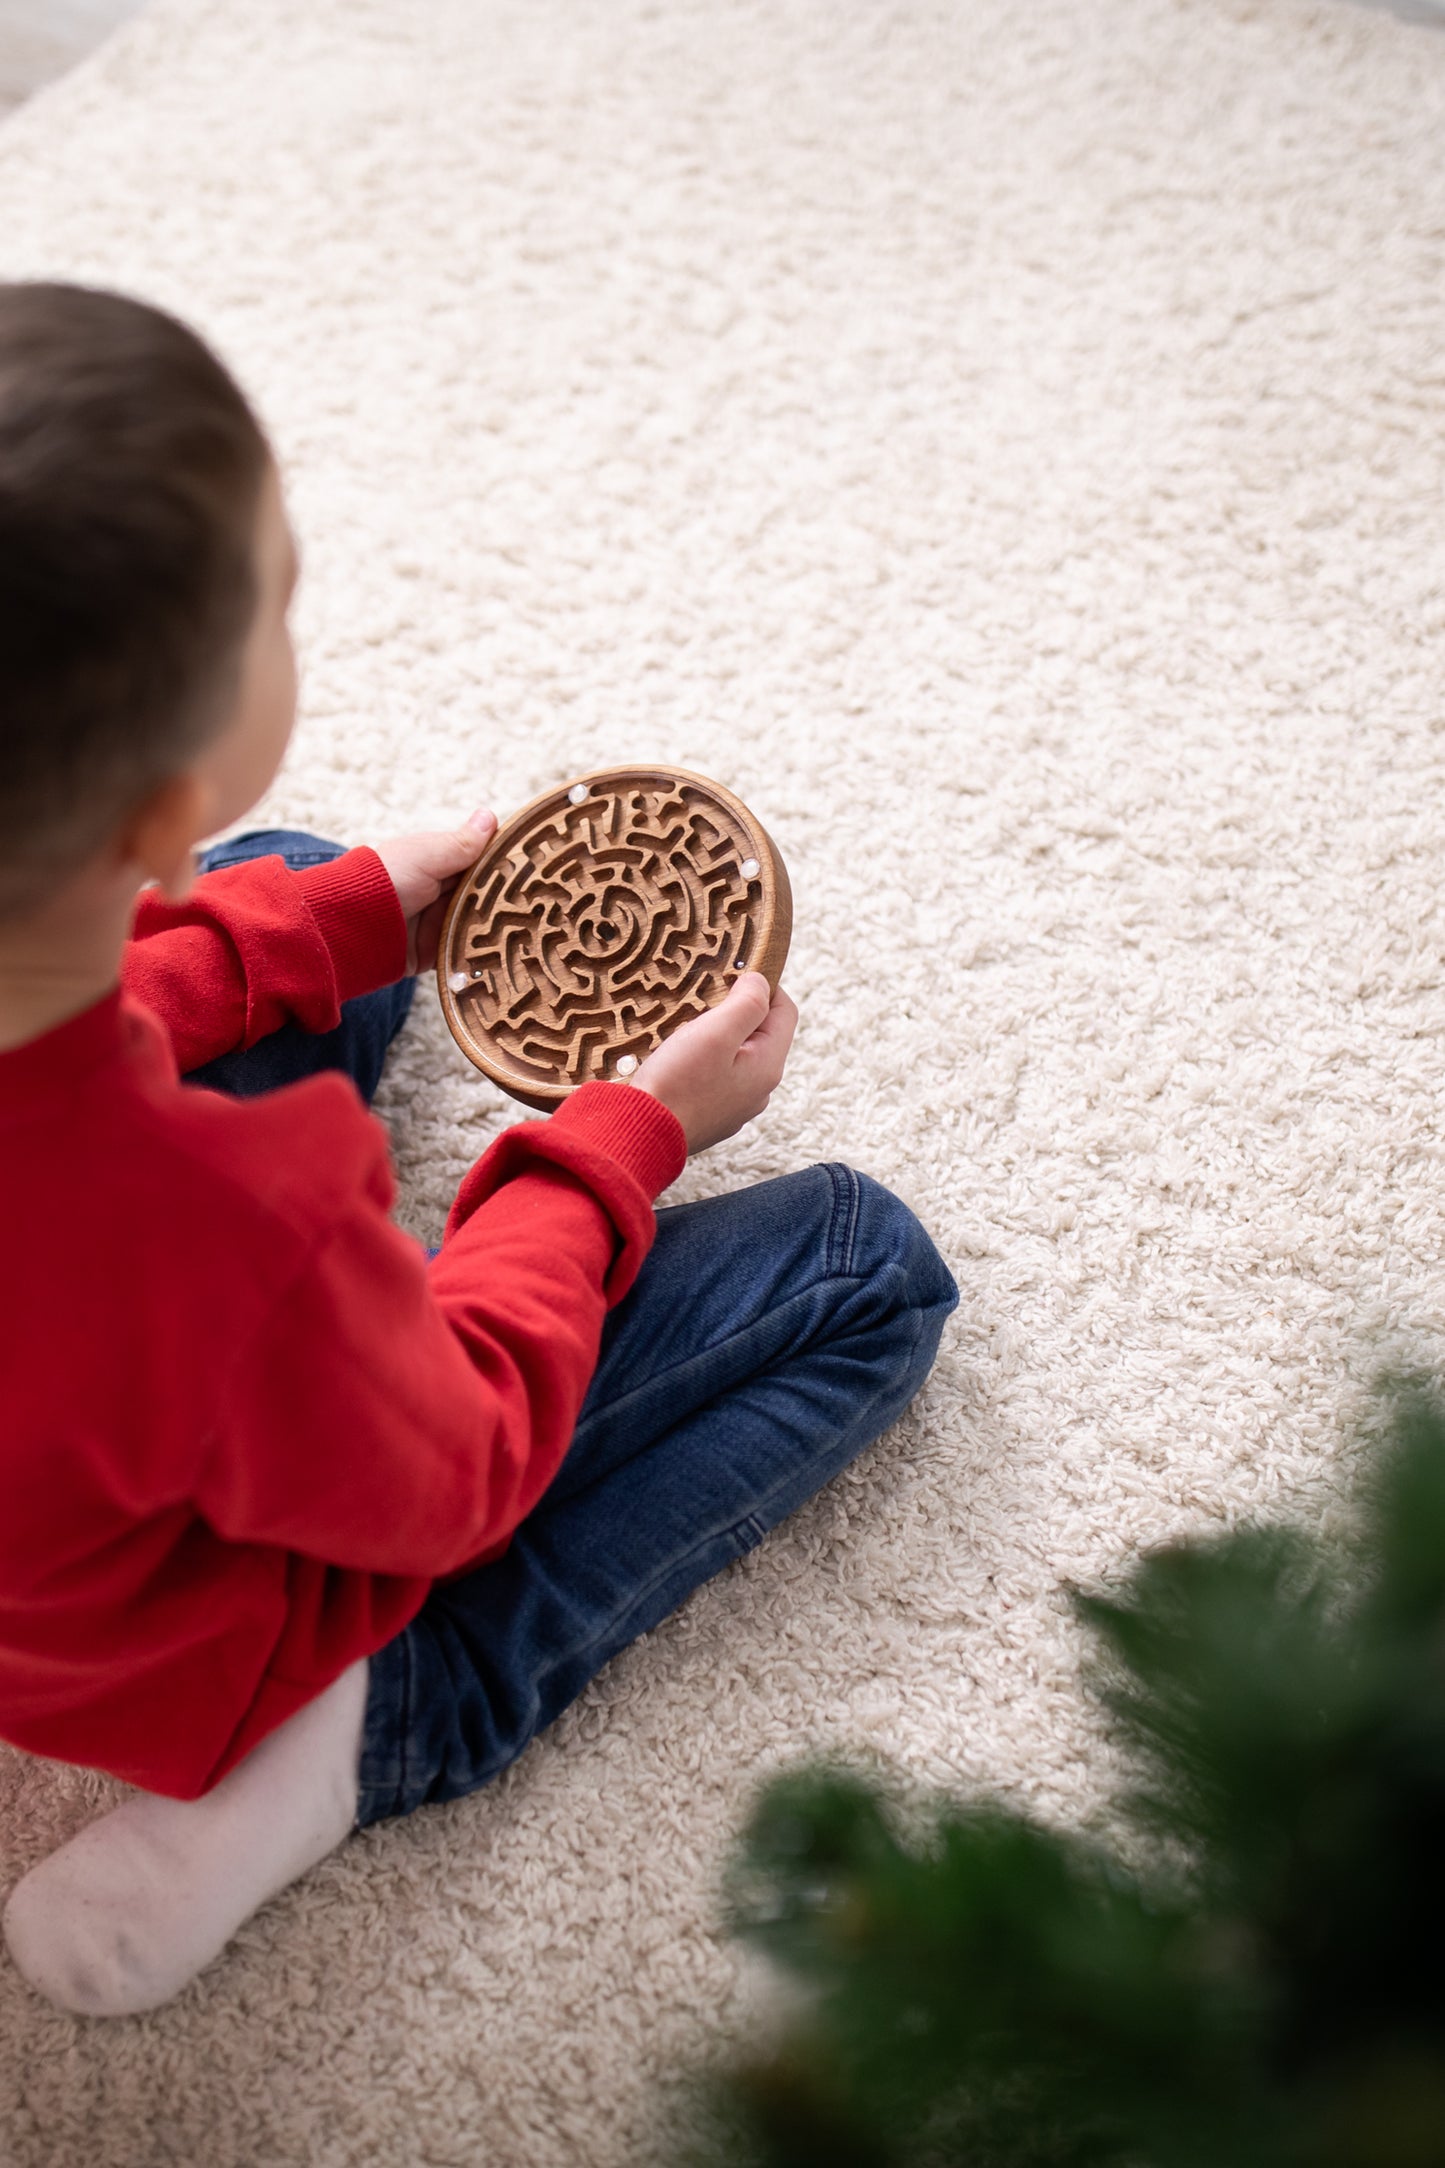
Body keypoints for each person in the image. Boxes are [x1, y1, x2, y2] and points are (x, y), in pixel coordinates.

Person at [0, 282, 959, 2018]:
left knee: (287, 889)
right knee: (862, 1267)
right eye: (278, 600)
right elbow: (455, 1452)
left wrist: (345, 914)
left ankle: (308, 910)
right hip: (197, 1614)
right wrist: (608, 1144)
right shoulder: (230, 1234)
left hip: (36, 1531)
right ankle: (374, 1728)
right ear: (154, 807)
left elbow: (117, 999)